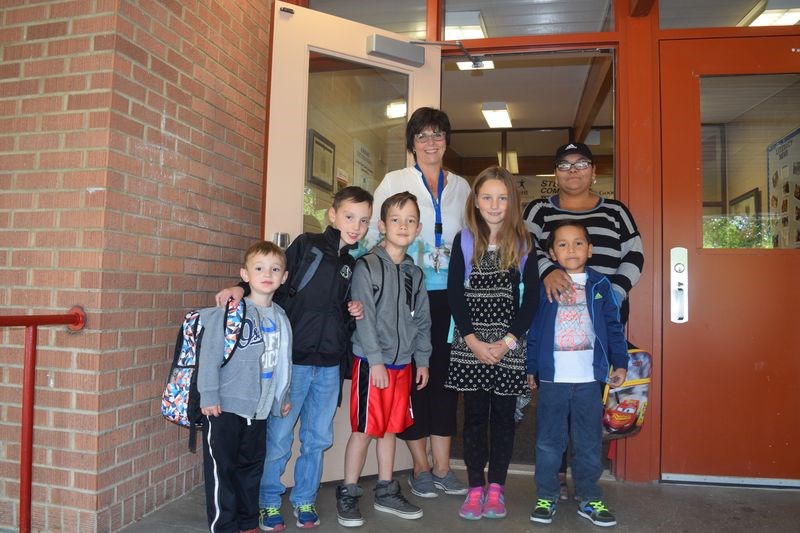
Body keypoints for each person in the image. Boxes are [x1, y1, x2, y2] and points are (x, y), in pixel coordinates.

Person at [214, 186, 374, 531]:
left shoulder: (353, 264)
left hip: (329, 366)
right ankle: (269, 502)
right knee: (280, 437)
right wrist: (238, 289)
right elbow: (270, 278)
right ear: (332, 215)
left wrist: (352, 312)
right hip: (294, 364)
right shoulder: (308, 246)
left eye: (363, 221)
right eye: (349, 216)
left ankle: (304, 499)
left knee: (318, 439)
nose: (356, 226)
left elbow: (339, 316)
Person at [522, 142, 643, 500]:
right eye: (564, 164)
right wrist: (546, 272)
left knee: (591, 404)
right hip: (553, 322)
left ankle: (588, 484)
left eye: (581, 164)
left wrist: (612, 294)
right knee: (555, 404)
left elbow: (634, 254)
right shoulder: (539, 209)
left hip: (601, 323)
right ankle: (554, 479)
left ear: (593, 171)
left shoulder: (616, 212)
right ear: (555, 172)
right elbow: (524, 247)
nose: (572, 171)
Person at [366, 107, 471, 498]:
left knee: (445, 380)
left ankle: (444, 467)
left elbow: (472, 241)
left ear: (447, 141)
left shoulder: (461, 186)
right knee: (411, 381)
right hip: (407, 293)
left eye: (438, 135)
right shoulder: (395, 180)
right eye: (422, 136)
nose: (431, 143)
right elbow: (373, 236)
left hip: (450, 297)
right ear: (412, 143)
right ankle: (421, 467)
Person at [445, 166, 539, 520]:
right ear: (476, 201)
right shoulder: (464, 240)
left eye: (502, 197)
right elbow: (455, 293)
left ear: (512, 201)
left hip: (508, 345)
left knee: (502, 419)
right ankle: (474, 488)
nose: (495, 204)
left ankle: (496, 488)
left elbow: (530, 301)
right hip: (470, 343)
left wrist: (507, 342)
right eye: (487, 197)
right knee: (473, 419)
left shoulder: (524, 242)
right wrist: (472, 340)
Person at [336, 192, 432, 528]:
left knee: (391, 429)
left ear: (418, 228)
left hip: (403, 365)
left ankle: (386, 489)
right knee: (364, 429)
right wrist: (375, 361)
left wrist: (422, 360)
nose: (403, 226)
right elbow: (363, 318)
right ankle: (348, 491)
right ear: (382, 225)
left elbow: (422, 321)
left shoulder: (415, 274)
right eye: (395, 219)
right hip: (370, 364)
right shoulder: (367, 266)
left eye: (409, 221)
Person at [526, 220, 629, 527]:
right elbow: (535, 330)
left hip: (588, 380)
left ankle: (589, 497)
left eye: (578, 243)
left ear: (590, 249)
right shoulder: (546, 287)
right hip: (553, 379)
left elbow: (613, 328)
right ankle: (546, 495)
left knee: (587, 442)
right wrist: (531, 367)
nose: (571, 249)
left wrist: (619, 362)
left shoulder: (601, 286)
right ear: (552, 253)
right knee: (548, 442)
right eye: (562, 244)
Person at [198, 241, 293, 533]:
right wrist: (209, 395)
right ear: (245, 274)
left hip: (260, 408)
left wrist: (281, 397)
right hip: (224, 405)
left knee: (251, 468)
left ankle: (248, 521)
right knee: (222, 470)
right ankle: (224, 525)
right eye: (260, 268)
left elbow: (281, 362)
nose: (268, 274)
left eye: (275, 269)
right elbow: (210, 354)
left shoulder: (281, 317)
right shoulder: (233, 311)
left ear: (284, 277)